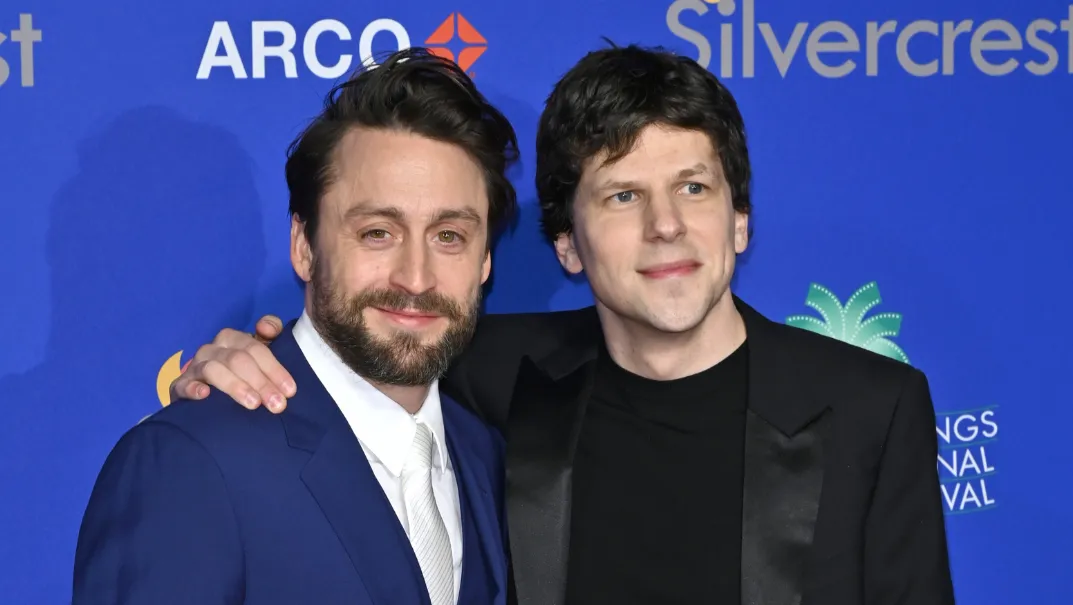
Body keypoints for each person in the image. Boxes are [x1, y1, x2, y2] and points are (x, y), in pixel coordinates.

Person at [170, 45, 955, 605]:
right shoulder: (489, 373)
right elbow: (360, 353)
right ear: (565, 244)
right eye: (621, 197)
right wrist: (244, 357)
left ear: (740, 220)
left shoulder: (868, 407)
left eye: (692, 187)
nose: (665, 228)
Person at [73, 48, 516, 605]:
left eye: (449, 235)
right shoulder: (191, 460)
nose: (415, 277)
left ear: (485, 263)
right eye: (378, 232)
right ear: (304, 248)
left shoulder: (486, 455)